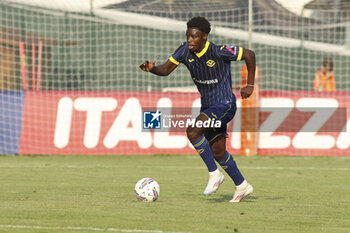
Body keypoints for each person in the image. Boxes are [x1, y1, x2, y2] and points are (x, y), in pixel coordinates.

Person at [139, 16, 256, 202]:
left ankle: (214, 174)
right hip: (209, 107)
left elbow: (249, 54)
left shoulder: (219, 51)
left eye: (194, 37)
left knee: (193, 130)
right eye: (188, 36)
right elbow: (166, 70)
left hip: (225, 105)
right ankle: (242, 185)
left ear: (204, 37)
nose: (189, 40)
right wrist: (152, 69)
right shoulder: (184, 51)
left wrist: (250, 84)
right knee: (218, 152)